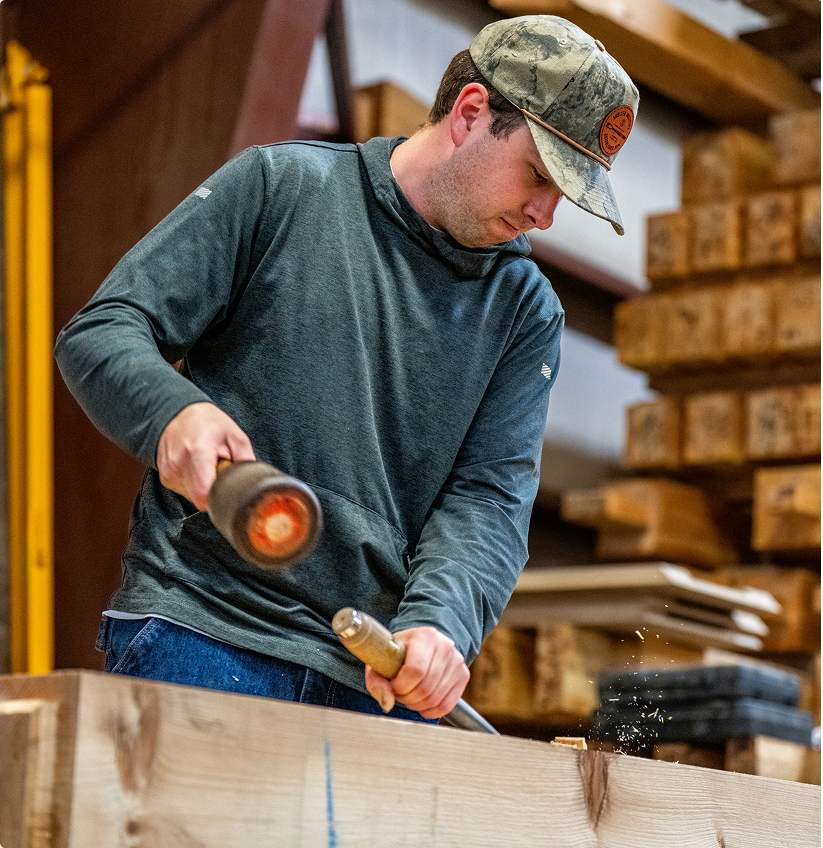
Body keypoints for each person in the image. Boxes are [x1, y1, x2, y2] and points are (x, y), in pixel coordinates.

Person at [55, 15, 638, 724]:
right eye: (539, 175)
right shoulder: (282, 189)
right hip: (204, 633)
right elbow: (106, 329)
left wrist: (440, 625)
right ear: (471, 113)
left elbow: (486, 501)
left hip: (369, 679)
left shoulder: (523, 312)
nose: (544, 214)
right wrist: (173, 411)